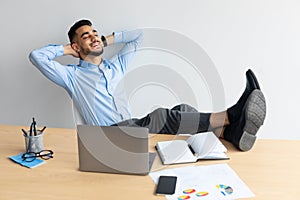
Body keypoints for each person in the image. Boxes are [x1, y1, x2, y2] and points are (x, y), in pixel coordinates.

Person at [29, 19, 266, 151]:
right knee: (161, 116)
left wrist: (106, 39)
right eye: (85, 36)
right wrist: (66, 50)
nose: (93, 37)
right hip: (107, 139)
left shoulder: (116, 67)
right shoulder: (71, 76)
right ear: (76, 46)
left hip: (131, 130)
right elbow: (36, 57)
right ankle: (231, 116)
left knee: (183, 110)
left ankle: (229, 133)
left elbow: (137, 36)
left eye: (95, 33)